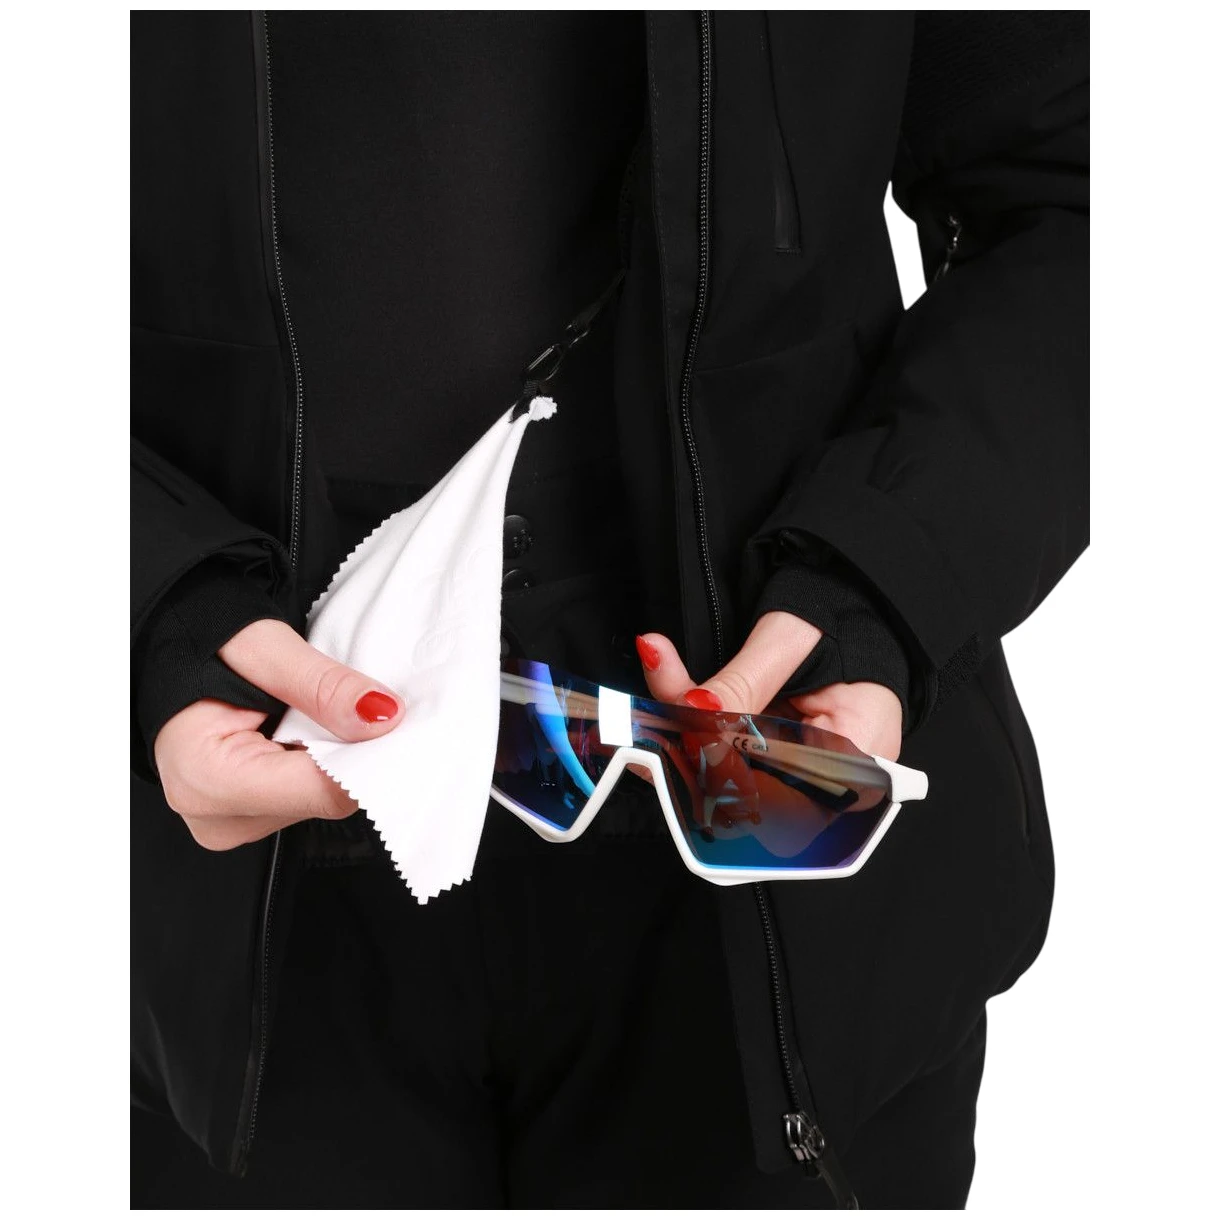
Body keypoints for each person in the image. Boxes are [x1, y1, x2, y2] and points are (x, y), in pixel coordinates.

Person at [130, 10, 1088, 1208]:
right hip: (220, 866)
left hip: (771, 817)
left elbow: (1082, 195)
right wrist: (145, 595)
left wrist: (880, 579)